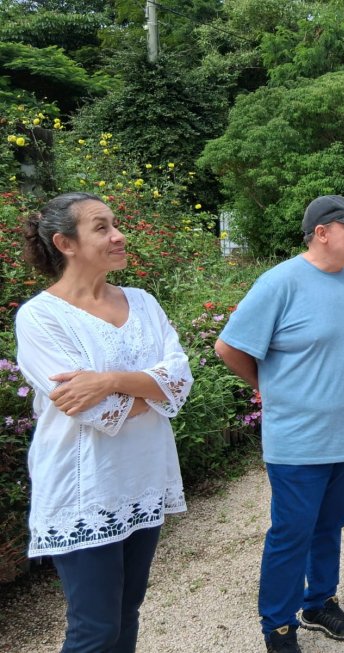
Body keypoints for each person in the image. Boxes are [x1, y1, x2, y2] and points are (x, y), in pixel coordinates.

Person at [14, 192, 193, 652]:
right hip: (84, 492)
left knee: (126, 614)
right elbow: (88, 408)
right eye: (102, 227)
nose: (119, 235)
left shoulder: (143, 303)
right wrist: (149, 389)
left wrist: (111, 379)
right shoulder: (39, 318)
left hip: (142, 481)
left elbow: (179, 378)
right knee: (94, 630)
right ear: (65, 243)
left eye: (115, 223)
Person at [214, 195, 344, 653]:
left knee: (330, 525)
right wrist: (267, 387)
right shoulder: (280, 282)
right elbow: (229, 347)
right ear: (322, 233)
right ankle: (278, 628)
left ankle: (319, 603)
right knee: (292, 533)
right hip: (300, 439)